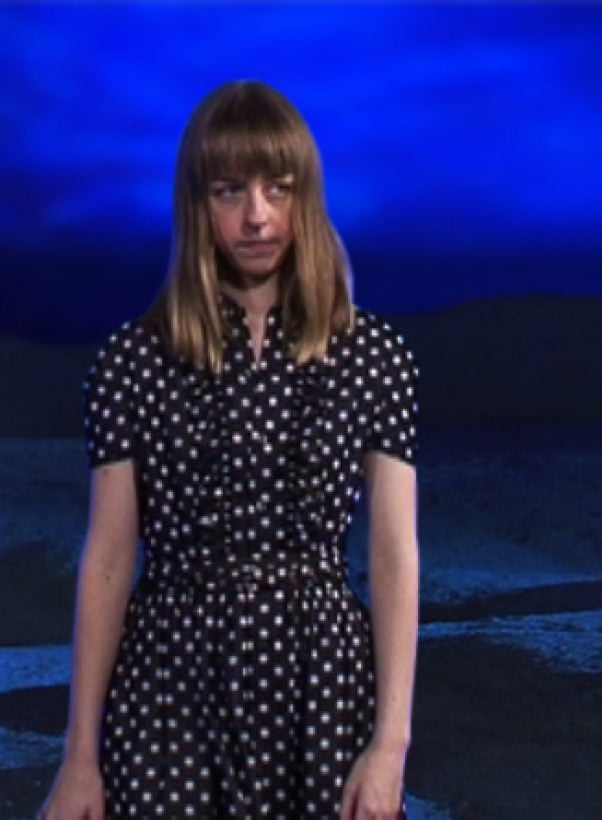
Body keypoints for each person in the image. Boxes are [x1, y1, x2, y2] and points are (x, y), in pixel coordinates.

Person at [38, 79, 420, 819]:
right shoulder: (133, 363)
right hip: (169, 694)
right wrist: (80, 757)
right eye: (228, 191)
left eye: (278, 189)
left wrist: (390, 746)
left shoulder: (373, 357)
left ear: (304, 197)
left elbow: (395, 555)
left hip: (323, 691)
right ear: (196, 203)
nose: (256, 216)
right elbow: (110, 559)